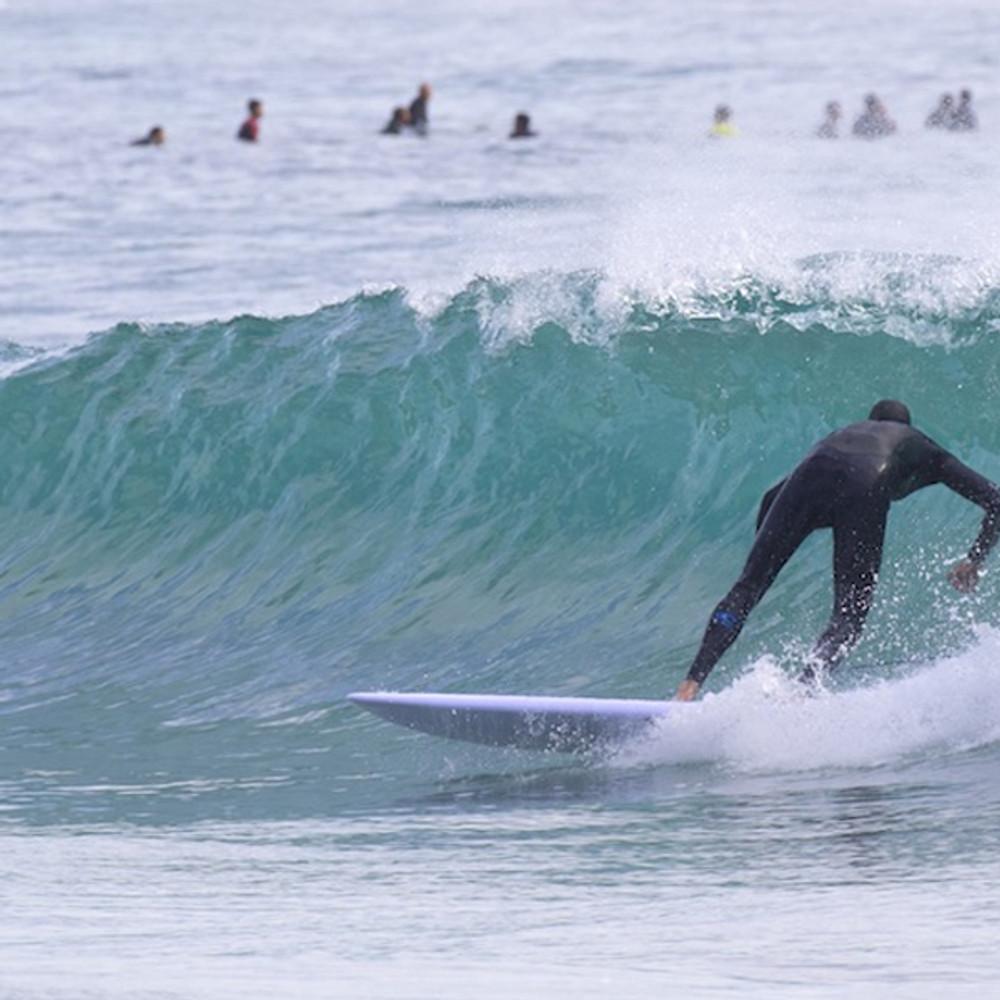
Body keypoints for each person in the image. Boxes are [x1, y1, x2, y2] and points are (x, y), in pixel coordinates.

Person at [674, 400, 1000, 701]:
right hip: (867, 482)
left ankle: (688, 689)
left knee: (747, 588)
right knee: (850, 614)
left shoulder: (842, 435)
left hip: (810, 475)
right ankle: (800, 694)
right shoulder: (923, 447)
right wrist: (974, 560)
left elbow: (772, 497)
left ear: (873, 421)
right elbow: (996, 501)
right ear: (906, 425)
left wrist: (762, 559)